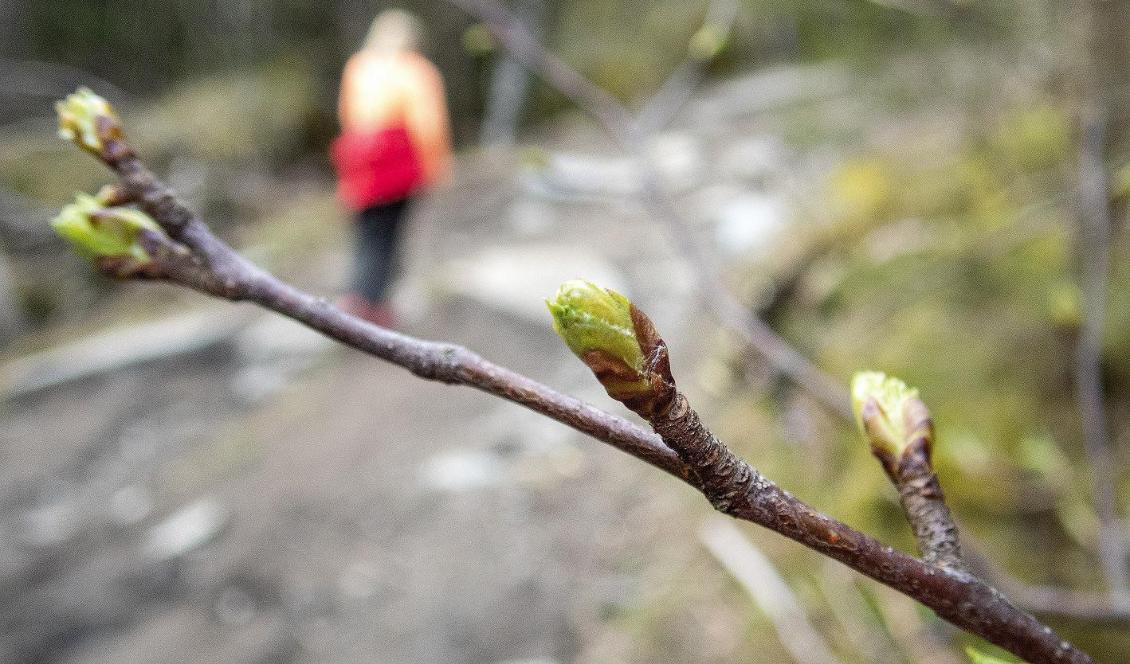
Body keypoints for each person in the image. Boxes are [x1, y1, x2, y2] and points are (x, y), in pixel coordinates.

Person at [332, 9, 452, 326]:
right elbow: (428, 124)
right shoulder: (417, 71)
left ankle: (364, 296)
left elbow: (347, 114)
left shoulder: (358, 66)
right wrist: (435, 165)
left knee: (369, 231)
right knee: (387, 233)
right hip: (397, 160)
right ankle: (367, 301)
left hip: (359, 158)